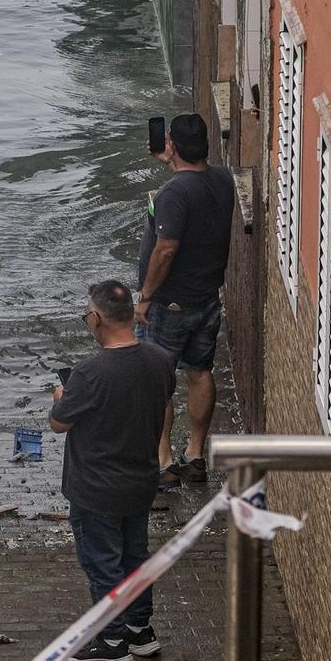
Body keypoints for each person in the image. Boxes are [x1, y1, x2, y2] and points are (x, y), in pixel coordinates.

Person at [49, 280, 176, 661]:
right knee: (135, 557)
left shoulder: (90, 372)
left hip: (96, 488)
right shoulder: (160, 359)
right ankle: (140, 632)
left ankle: (112, 642)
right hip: (140, 481)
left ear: (96, 318)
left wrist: (61, 396)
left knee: (103, 562)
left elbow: (59, 423)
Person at [135, 113, 236, 487]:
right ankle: (195, 455)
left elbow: (166, 248)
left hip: (170, 304)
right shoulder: (223, 180)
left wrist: (145, 297)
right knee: (199, 372)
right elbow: (195, 185)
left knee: (159, 381)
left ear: (172, 144)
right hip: (207, 298)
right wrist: (172, 164)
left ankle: (162, 461)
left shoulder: (174, 194)